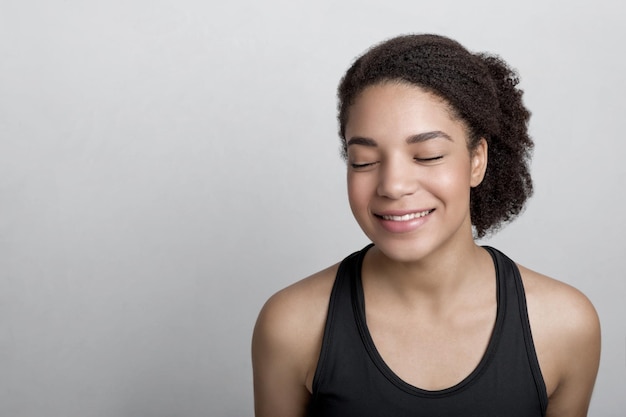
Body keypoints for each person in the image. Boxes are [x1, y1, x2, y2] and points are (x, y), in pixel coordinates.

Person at [251, 34, 600, 417]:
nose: (393, 185)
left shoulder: (564, 325)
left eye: (428, 155)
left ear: (477, 161)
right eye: (364, 161)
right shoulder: (292, 325)